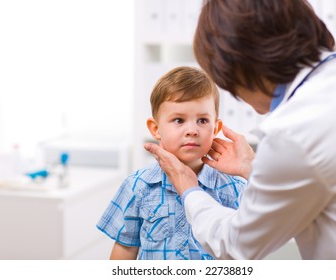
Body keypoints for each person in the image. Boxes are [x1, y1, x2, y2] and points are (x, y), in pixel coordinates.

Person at [144, 0, 336, 259]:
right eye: (178, 120)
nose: (242, 100)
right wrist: (250, 166)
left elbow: (237, 245)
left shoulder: (294, 133)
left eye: (233, 87)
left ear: (241, 68)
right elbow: (322, 174)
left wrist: (188, 189)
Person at [97, 66, 247, 260]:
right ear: (156, 128)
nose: (192, 130)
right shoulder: (138, 186)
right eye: (178, 120)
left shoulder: (234, 189)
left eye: (202, 120)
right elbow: (125, 249)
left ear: (216, 127)